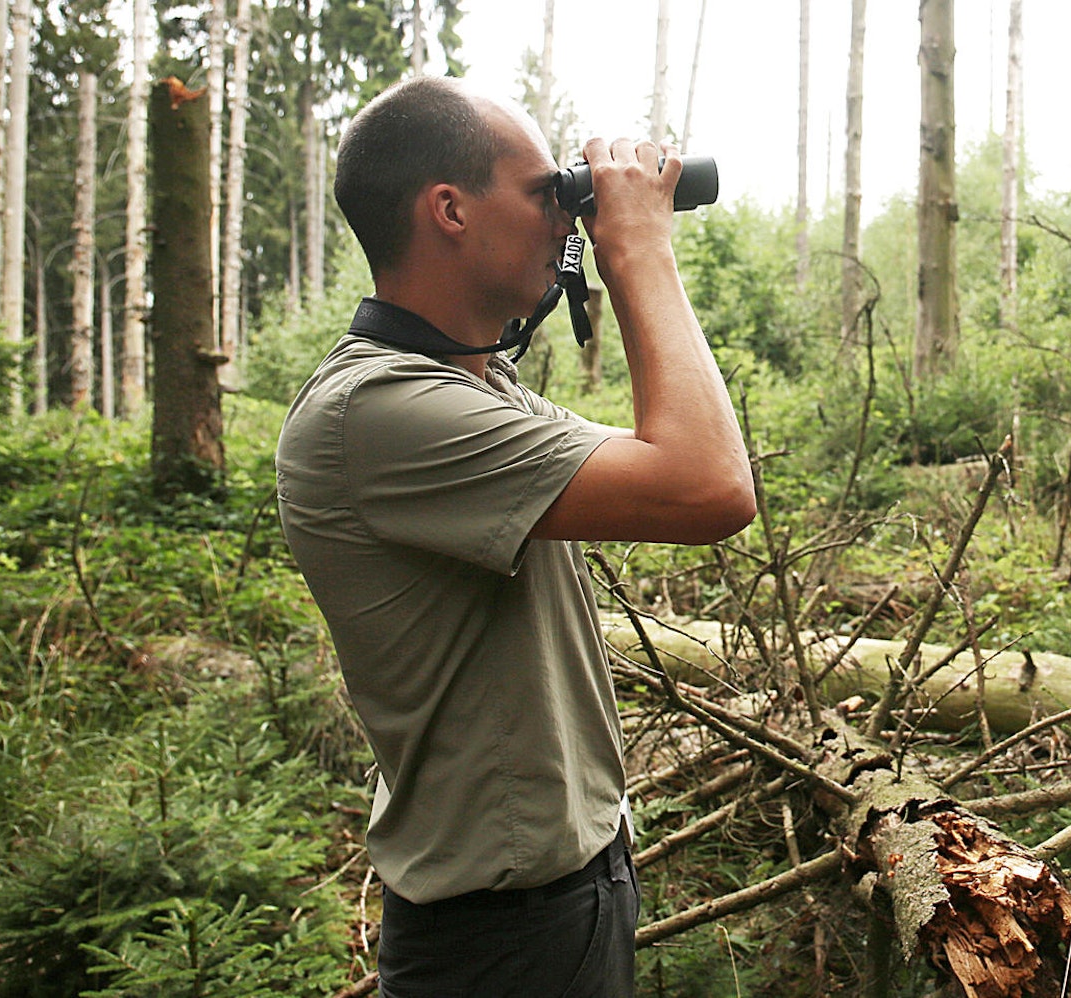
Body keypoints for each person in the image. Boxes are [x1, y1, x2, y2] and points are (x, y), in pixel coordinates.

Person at [274, 75, 755, 997]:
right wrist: (641, 252)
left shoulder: (466, 388)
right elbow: (709, 485)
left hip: (559, 900)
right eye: (547, 194)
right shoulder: (379, 409)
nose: (566, 219)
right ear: (449, 209)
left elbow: (675, 460)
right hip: (498, 939)